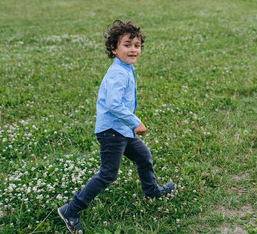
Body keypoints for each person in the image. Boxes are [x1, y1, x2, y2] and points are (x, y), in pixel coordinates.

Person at [58, 20, 175, 234]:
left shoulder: (125, 68)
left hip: (121, 129)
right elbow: (113, 104)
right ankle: (71, 210)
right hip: (112, 131)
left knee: (143, 157)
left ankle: (152, 192)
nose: (133, 49)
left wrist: (129, 125)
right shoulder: (119, 73)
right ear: (114, 49)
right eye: (127, 44)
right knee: (108, 174)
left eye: (137, 45)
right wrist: (135, 122)